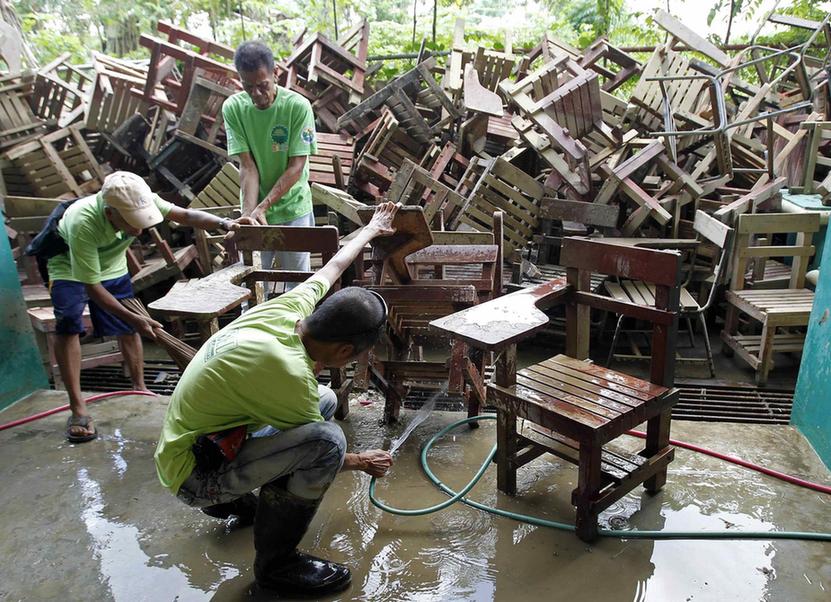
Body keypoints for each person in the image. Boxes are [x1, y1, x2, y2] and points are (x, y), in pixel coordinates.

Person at [154, 202, 400, 598]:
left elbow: (333, 267)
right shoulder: (287, 374)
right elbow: (323, 454)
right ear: (341, 352)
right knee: (328, 443)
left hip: (190, 448)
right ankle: (276, 565)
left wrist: (371, 229)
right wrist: (362, 461)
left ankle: (234, 502)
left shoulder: (288, 309)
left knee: (322, 402)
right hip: (193, 478)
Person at [45, 171, 243, 443]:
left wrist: (225, 223)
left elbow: (186, 216)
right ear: (110, 213)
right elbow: (92, 286)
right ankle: (78, 409)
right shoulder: (84, 223)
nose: (138, 231)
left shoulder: (140, 199)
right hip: (68, 265)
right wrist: (136, 318)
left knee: (128, 328)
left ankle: (139, 387)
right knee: (68, 324)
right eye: (132, 223)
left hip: (111, 264)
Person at [223, 40, 318, 290]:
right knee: (251, 287)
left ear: (276, 73)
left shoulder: (297, 107)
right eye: (248, 87)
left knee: (297, 289)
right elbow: (248, 167)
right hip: (255, 211)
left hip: (293, 209)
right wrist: (247, 217)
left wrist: (265, 206)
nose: (256, 94)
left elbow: (296, 167)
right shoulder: (233, 108)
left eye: (262, 86)